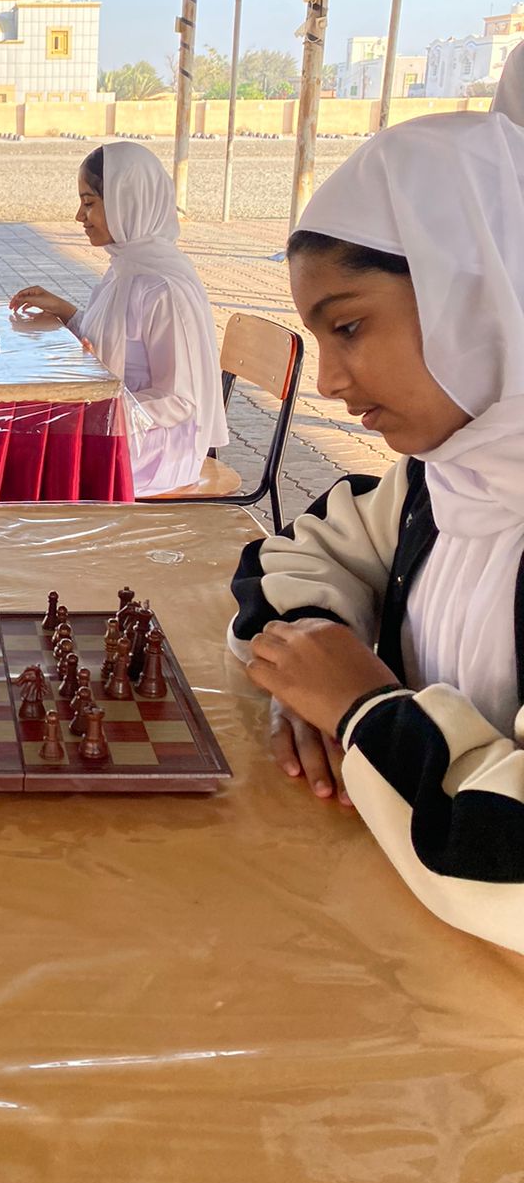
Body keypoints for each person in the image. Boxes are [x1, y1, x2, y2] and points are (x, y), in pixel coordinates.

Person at [230, 111, 524, 955]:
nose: (327, 382)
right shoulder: (442, 478)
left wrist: (363, 713)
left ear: (478, 291)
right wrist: (316, 654)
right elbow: (297, 553)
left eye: (349, 327)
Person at [8, 141, 227, 495]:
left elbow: (179, 400)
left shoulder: (162, 288)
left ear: (127, 201)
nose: (79, 217)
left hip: (160, 448)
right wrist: (65, 311)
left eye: (89, 204)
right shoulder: (126, 267)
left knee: (28, 451)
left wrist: (96, 412)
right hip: (128, 427)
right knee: (23, 434)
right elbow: (119, 342)